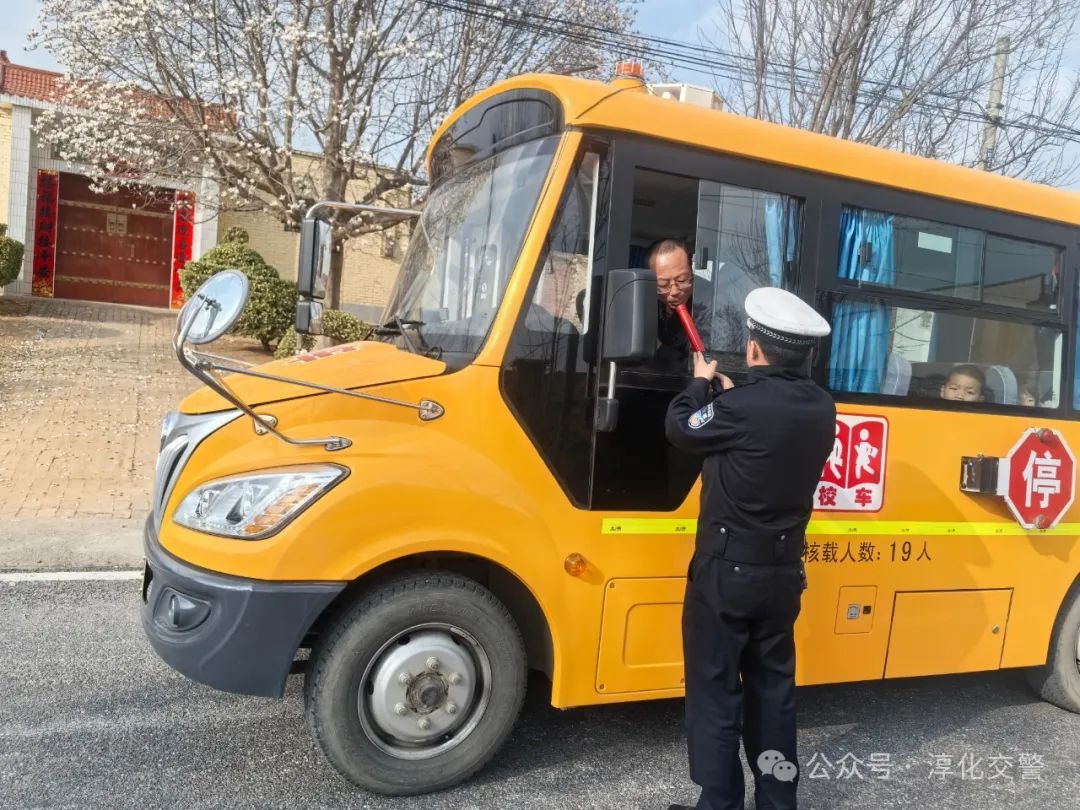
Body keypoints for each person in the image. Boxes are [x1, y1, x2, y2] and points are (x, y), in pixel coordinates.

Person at [664, 287, 836, 810]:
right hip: (782, 575)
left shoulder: (737, 408)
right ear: (804, 355)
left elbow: (680, 427)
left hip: (725, 575)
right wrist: (735, 392)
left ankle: (720, 803)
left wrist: (700, 381)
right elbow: (768, 420)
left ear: (754, 348)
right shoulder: (821, 407)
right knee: (773, 695)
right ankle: (778, 802)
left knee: (716, 694)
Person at [650, 239, 711, 372]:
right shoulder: (646, 307)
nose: (675, 292)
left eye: (682, 280)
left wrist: (659, 347)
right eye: (663, 285)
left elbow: (703, 367)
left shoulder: (708, 310)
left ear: (692, 273)